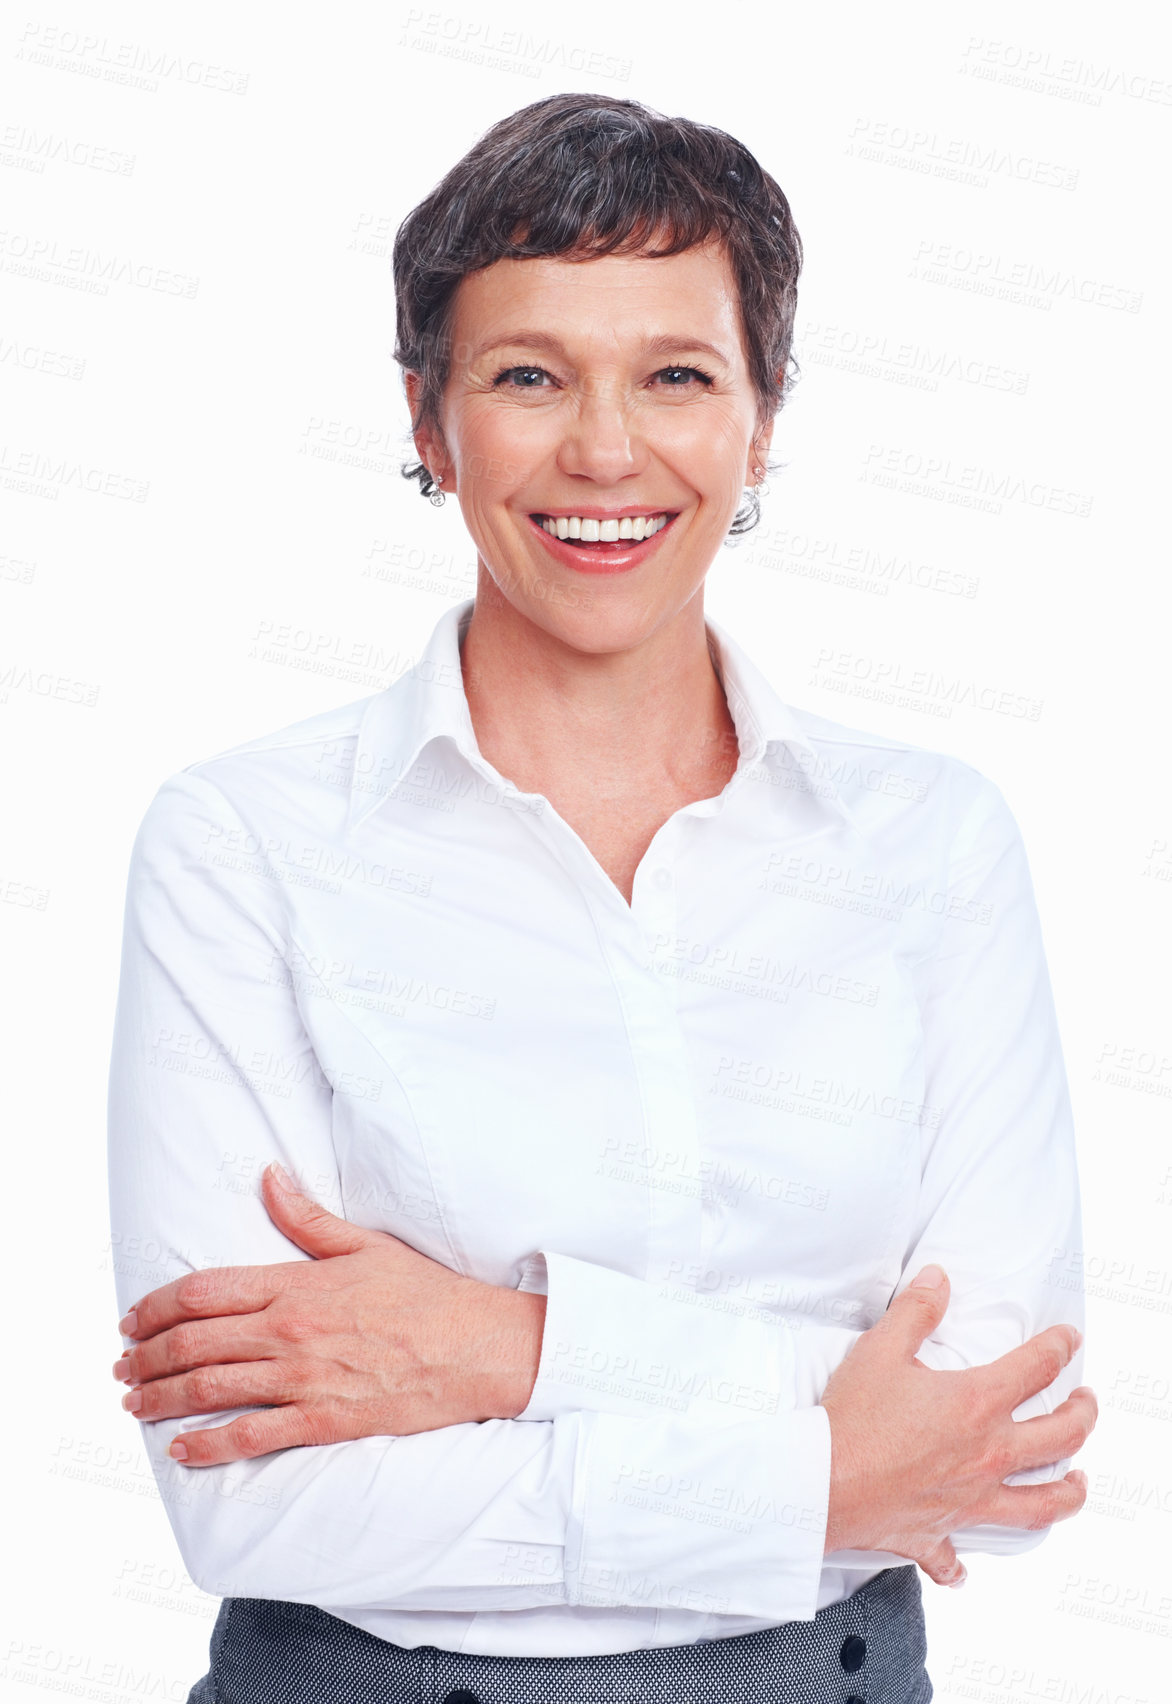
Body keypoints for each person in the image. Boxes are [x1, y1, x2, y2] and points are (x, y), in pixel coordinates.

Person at [106, 93, 1096, 1704]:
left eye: (678, 376)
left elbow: (1001, 1439)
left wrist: (512, 1353)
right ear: (430, 425)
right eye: (527, 377)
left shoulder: (930, 846)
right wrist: (825, 1473)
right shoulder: (243, 849)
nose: (606, 450)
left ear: (762, 420)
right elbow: (254, 1494)